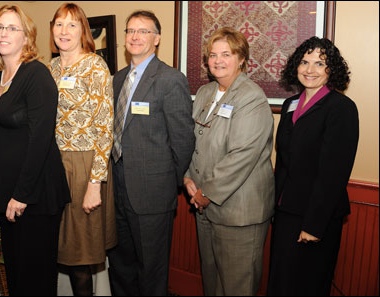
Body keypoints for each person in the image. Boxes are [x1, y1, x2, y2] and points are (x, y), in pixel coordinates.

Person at [0, 5, 71, 296]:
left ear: (27, 38)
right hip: (8, 193)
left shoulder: (37, 75)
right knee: (18, 277)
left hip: (35, 195)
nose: (4, 33)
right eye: (0, 27)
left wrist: (21, 194)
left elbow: (40, 139)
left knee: (35, 280)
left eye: (13, 28)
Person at [107, 10, 195, 296]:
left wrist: (168, 183)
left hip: (152, 194)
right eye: (130, 30)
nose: (135, 36)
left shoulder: (170, 79)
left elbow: (182, 141)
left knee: (151, 270)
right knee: (120, 265)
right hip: (116, 187)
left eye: (143, 31)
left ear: (156, 38)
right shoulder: (117, 80)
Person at [183, 27, 274, 296]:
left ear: (242, 58)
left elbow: (243, 154)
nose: (218, 60)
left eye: (226, 54)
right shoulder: (204, 92)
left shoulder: (251, 97)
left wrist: (206, 193)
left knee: (237, 287)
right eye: (213, 55)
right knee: (211, 283)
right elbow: (192, 139)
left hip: (239, 212)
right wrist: (187, 176)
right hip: (204, 205)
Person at [267, 37, 359, 296]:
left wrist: (313, 225)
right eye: (305, 62)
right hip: (286, 211)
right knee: (281, 281)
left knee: (306, 284)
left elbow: (334, 173)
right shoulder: (289, 105)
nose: (310, 69)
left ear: (332, 70)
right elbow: (284, 161)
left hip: (316, 216)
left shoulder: (341, 108)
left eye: (320, 63)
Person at [47, 3, 116, 296]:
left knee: (80, 256)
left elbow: (105, 128)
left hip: (84, 165)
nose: (64, 31)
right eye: (59, 24)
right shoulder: (49, 67)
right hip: (53, 163)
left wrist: (94, 184)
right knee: (56, 246)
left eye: (72, 25)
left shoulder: (95, 66)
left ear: (83, 31)